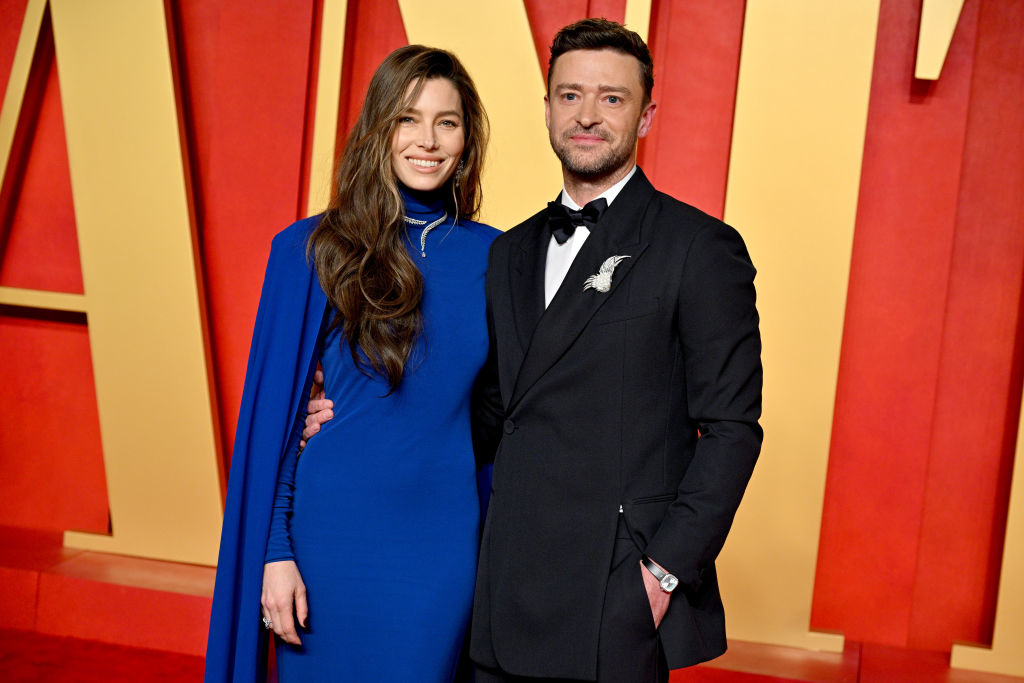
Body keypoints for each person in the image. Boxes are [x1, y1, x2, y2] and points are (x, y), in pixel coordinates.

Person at [305, 18, 762, 683]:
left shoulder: (699, 248)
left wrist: (662, 574)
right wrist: (349, 422)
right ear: (547, 107)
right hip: (500, 589)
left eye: (612, 98)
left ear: (646, 116)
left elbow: (732, 430)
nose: (587, 115)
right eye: (570, 95)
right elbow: (482, 408)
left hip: (613, 595)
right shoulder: (508, 251)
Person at [204, 45, 498, 682]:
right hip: (329, 538)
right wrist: (274, 552)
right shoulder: (312, 249)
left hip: (442, 543)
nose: (427, 139)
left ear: (466, 137)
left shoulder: (498, 259)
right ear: (378, 130)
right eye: (406, 119)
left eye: (446, 121)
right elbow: (277, 424)